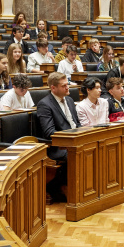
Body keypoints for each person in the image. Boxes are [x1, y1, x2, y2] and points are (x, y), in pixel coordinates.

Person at [35, 72, 81, 203]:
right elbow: (49, 132)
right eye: (64, 86)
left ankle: (86, 186)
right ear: (53, 88)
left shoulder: (70, 101)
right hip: (57, 147)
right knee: (75, 154)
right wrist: (70, 139)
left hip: (74, 141)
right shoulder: (45, 104)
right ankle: (56, 186)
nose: (68, 88)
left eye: (67, 84)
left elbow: (76, 124)